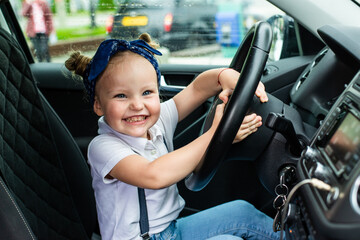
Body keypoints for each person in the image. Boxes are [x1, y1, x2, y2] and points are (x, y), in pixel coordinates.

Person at [65, 33, 281, 240]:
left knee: (241, 212)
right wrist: (216, 132)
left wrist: (222, 76)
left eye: (147, 92)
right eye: (121, 96)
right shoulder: (103, 147)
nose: (137, 105)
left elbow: (197, 89)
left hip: (171, 230)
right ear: (98, 105)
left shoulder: (157, 122)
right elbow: (154, 175)